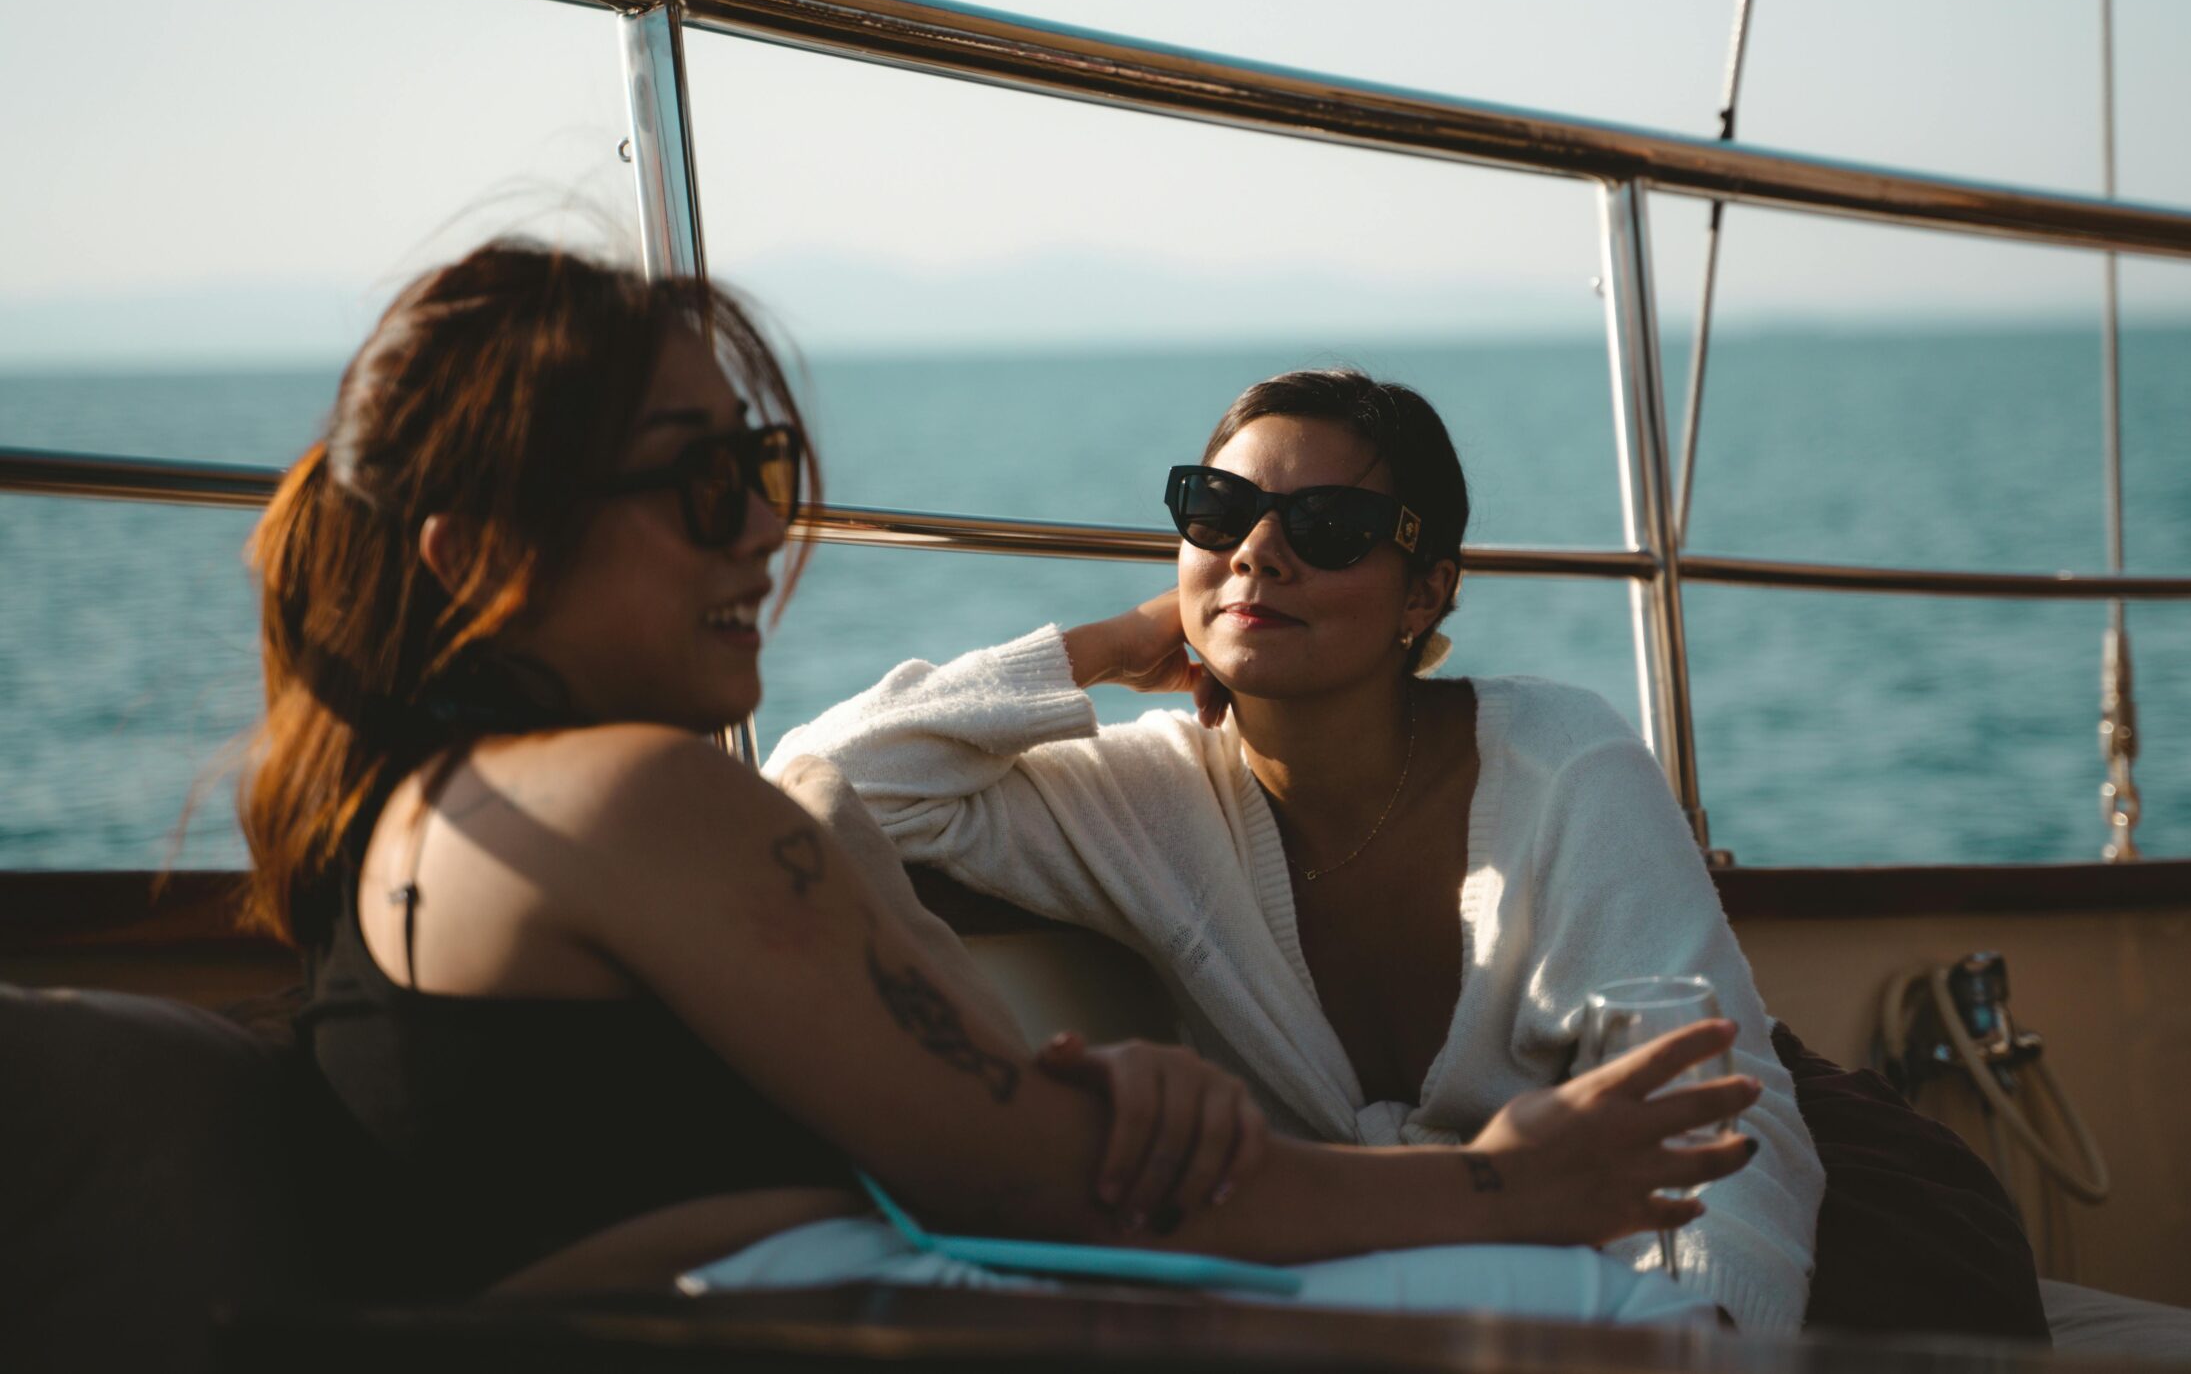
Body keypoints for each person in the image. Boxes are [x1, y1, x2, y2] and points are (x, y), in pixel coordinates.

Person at [243, 244, 1764, 1309]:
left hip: (881, 1291)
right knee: (1597, 1310)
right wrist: (1506, 1185)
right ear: (473, 547)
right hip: (902, 1305)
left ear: (1432, 588)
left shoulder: (436, 805)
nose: (764, 532)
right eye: (700, 484)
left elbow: (976, 1139)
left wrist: (1062, 1081)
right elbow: (1026, 1174)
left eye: (760, 471)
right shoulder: (629, 797)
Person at [768, 368, 1824, 1332]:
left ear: (1425, 593)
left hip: (1599, 1307)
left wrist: (1703, 1338)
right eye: (1217, 513)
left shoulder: (1564, 766)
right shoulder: (1148, 796)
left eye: (1328, 525)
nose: (1256, 553)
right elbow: (827, 777)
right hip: (1355, 1303)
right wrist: (1102, 646)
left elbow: (1722, 1118)